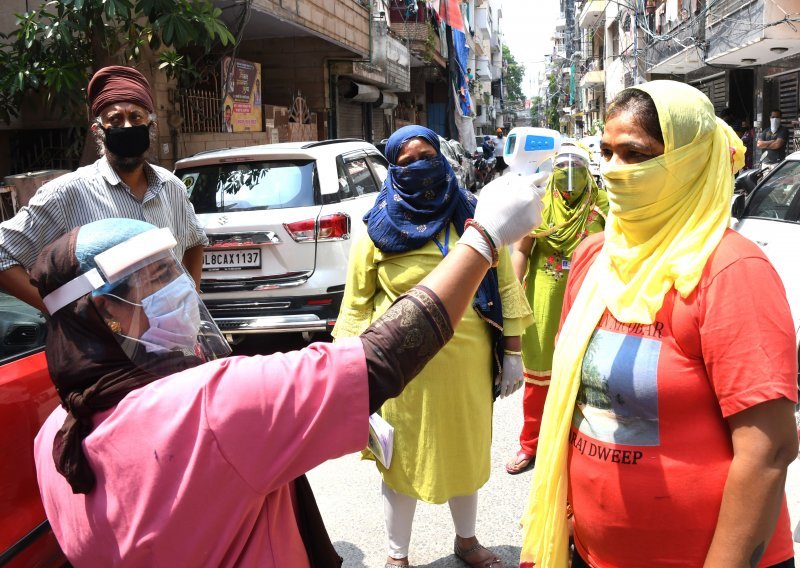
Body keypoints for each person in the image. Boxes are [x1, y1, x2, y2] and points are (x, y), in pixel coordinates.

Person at [32, 172, 544, 566]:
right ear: (106, 313)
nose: (183, 287)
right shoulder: (211, 407)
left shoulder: (53, 438)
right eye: (160, 277)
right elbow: (381, 358)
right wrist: (484, 237)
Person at [520, 80, 798, 567]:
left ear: (689, 161)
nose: (612, 170)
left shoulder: (730, 271)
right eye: (605, 152)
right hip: (590, 553)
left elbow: (769, 450)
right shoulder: (594, 258)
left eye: (636, 154)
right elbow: (575, 406)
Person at [333, 125, 534, 568]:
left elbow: (503, 284)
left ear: (442, 159)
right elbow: (355, 306)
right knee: (401, 463)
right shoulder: (375, 230)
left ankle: (467, 541)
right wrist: (347, 378)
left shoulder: (475, 215)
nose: (418, 168)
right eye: (405, 163)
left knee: (464, 453)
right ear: (392, 171)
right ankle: (396, 556)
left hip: (467, 367)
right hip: (401, 374)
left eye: (426, 156)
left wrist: (514, 352)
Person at [0, 65, 207, 313]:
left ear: (152, 126)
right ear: (99, 130)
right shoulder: (67, 193)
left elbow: (195, 241)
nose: (127, 126)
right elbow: (3, 254)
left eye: (136, 117)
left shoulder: (171, 187)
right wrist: (57, 309)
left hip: (169, 341)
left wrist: (189, 300)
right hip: (101, 347)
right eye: (115, 119)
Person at [505, 143, 608, 475]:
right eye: (561, 170)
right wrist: (514, 293)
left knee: (585, 378)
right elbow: (521, 250)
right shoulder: (541, 206)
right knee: (539, 378)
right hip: (544, 301)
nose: (568, 181)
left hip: (587, 300)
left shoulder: (603, 208)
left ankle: (577, 445)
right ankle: (530, 444)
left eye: (575, 170)